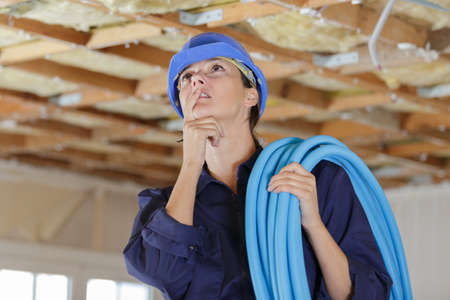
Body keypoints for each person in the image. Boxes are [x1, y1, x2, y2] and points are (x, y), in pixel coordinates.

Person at [123, 32, 392, 300]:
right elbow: (160, 272)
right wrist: (192, 163)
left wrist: (313, 224)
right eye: (186, 77)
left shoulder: (313, 179)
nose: (196, 80)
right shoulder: (163, 207)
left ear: (250, 96)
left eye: (216, 68)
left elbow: (366, 294)